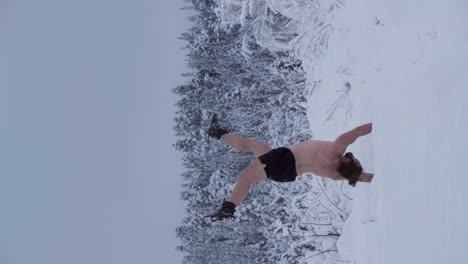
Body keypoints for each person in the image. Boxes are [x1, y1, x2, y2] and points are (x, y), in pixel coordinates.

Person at [204, 114, 374, 222]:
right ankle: (218, 133)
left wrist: (380, 123)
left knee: (246, 178)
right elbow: (363, 177)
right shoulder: (337, 175)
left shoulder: (336, 149)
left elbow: (358, 131)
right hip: (286, 174)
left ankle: (228, 209)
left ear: (347, 162)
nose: (351, 156)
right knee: (253, 146)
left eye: (352, 158)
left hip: (284, 160)